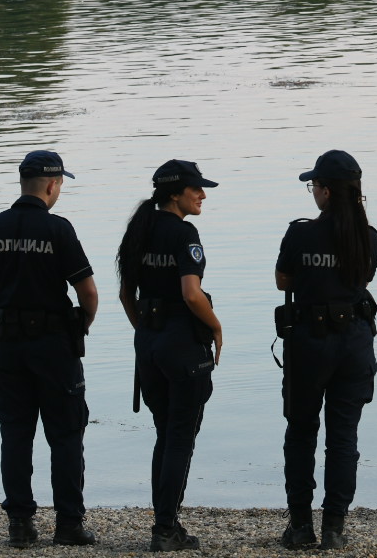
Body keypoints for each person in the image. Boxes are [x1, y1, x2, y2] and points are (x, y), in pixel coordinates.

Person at [0, 150, 99, 548]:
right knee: (66, 435)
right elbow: (87, 292)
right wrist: (81, 325)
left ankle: (20, 525)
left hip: (9, 347)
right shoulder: (59, 229)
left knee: (16, 435)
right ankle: (69, 525)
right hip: (55, 346)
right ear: (53, 185)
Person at [117, 159, 224, 552]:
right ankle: (165, 529)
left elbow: (126, 295)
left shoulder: (137, 231)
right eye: (196, 188)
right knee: (181, 436)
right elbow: (191, 294)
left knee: (165, 434)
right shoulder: (184, 233)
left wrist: (147, 333)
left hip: (148, 342)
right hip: (182, 344)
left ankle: (166, 522)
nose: (202, 195)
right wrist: (215, 327)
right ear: (175, 193)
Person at [276, 150, 377, 550]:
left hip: (309, 342)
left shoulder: (300, 234)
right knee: (344, 437)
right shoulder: (367, 237)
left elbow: (284, 280)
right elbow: (363, 277)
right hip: (354, 341)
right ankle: (334, 528)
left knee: (301, 431)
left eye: (313, 185)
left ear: (324, 190)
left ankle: (301, 526)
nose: (312, 192)